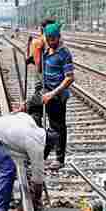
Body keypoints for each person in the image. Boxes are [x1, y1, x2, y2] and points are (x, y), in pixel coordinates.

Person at [22, 22, 74, 170]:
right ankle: (39, 151)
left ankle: (59, 159)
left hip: (57, 95)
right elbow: (41, 65)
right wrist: (31, 59)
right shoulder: (47, 50)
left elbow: (69, 78)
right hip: (45, 90)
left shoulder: (64, 53)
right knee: (32, 110)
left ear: (59, 37)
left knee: (57, 127)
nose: (51, 41)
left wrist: (52, 93)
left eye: (53, 39)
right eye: (48, 39)